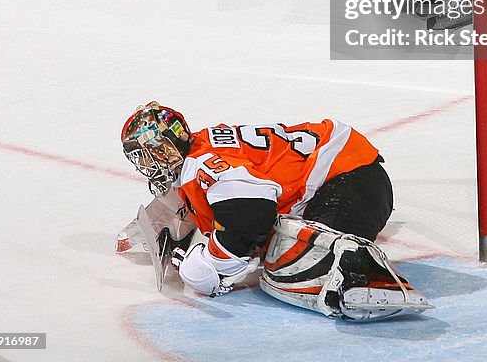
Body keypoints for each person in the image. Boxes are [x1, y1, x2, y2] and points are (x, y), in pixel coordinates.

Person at [120, 101, 430, 321]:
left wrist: (211, 265)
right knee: (277, 246)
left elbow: (251, 219)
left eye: (145, 157)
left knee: (287, 268)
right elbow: (192, 207)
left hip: (349, 179)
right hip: (350, 171)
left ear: (162, 148)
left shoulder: (204, 165)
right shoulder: (200, 152)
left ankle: (363, 278)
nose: (146, 167)